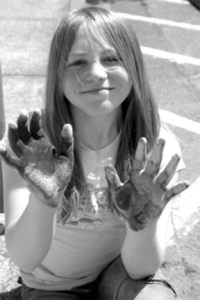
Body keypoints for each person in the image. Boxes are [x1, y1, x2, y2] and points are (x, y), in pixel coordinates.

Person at [0, 7, 189, 300]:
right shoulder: (32, 146)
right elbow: (24, 259)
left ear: (134, 67)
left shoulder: (154, 145)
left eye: (112, 59)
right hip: (52, 287)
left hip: (119, 274)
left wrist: (141, 224)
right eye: (78, 62)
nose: (97, 73)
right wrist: (43, 202)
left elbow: (141, 269)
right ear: (57, 76)